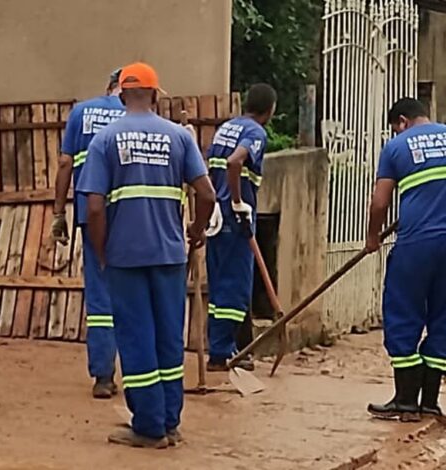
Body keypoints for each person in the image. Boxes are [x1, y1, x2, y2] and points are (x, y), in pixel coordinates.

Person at [78, 62, 216, 448]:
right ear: (156, 95)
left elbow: (93, 208)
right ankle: (170, 421)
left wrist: (103, 253)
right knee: (168, 339)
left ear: (121, 95)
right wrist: (197, 231)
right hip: (170, 255)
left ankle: (149, 427)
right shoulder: (179, 137)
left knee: (137, 340)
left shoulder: (105, 140)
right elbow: (206, 194)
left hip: (126, 256)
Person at [365, 98, 446, 422]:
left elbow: (379, 202)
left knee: (403, 314)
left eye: (394, 127)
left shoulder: (397, 147)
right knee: (444, 319)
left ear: (401, 121)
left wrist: (373, 237)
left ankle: (404, 402)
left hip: (417, 245)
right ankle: (429, 403)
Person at [52, 68, 125, 398]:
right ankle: (141, 375)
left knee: (99, 295)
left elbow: (66, 163)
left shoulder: (80, 112)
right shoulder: (135, 115)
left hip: (89, 212)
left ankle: (103, 377)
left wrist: (58, 213)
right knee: (132, 293)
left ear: (107, 87)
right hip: (128, 216)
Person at [204, 84, 277, 372]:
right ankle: (223, 353)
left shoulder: (225, 128)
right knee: (235, 287)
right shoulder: (255, 133)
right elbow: (235, 162)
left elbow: (212, 168)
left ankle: (219, 350)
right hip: (236, 218)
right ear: (269, 110)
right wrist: (237, 202)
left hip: (216, 217)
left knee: (219, 285)